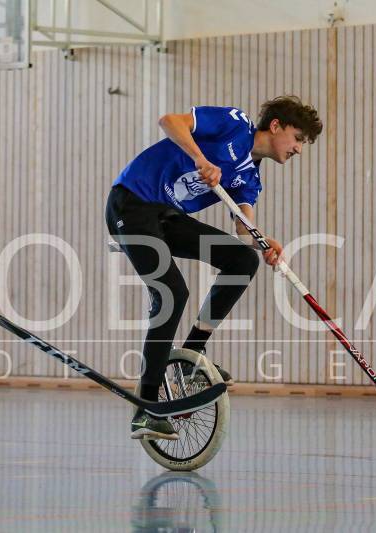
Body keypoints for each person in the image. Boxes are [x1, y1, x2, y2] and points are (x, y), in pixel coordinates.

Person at [106, 95, 322, 440]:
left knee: (242, 259)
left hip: (166, 217)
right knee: (172, 293)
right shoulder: (233, 124)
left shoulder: (250, 178)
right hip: (132, 202)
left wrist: (263, 242)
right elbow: (169, 121)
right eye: (297, 138)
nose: (298, 149)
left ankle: (191, 355)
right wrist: (200, 159)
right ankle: (146, 408)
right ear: (276, 126)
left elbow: (243, 230)